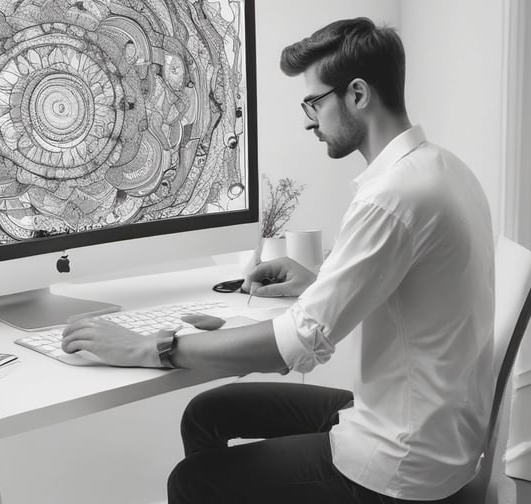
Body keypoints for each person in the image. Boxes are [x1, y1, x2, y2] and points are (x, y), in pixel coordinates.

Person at [62, 17, 494, 504]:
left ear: (357, 94)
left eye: (314, 102)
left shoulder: (391, 198)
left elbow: (294, 346)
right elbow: (407, 286)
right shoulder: (443, 168)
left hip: (401, 460)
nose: (309, 119)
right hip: (435, 430)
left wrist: (153, 347)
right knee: (207, 414)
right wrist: (317, 282)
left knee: (191, 482)